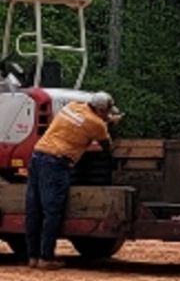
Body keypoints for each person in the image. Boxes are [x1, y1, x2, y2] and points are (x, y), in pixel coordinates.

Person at [25, 92, 119, 269]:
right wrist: (110, 125)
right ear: (100, 110)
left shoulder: (72, 106)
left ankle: (33, 256)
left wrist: (108, 120)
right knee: (52, 212)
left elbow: (82, 121)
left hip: (38, 156)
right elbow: (107, 147)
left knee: (34, 210)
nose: (107, 114)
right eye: (106, 112)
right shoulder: (97, 124)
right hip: (56, 163)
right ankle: (46, 258)